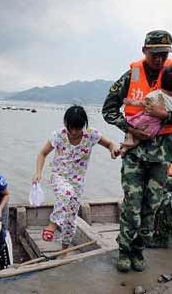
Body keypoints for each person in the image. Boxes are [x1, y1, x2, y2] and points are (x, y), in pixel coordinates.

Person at [102, 30, 172, 272]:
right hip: (135, 152)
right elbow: (108, 110)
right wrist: (130, 127)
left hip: (162, 155)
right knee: (132, 204)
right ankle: (125, 250)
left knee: (151, 206)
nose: (159, 58)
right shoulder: (130, 76)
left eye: (164, 54)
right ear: (144, 51)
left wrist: (164, 117)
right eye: (155, 53)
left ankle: (139, 251)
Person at [32, 105, 120, 252]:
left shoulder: (91, 135)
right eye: (70, 128)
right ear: (65, 123)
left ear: (84, 125)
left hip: (77, 183)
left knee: (70, 220)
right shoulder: (58, 135)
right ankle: (53, 223)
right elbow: (42, 153)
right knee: (67, 193)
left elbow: (110, 144)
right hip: (59, 176)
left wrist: (113, 150)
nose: (73, 132)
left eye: (77, 128)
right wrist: (38, 172)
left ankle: (64, 251)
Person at [121, 67, 172, 155]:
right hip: (153, 127)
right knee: (143, 136)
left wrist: (130, 102)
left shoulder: (154, 93)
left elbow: (142, 103)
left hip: (142, 119)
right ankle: (131, 143)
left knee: (130, 125)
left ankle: (127, 144)